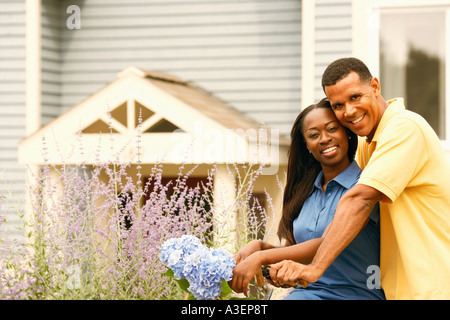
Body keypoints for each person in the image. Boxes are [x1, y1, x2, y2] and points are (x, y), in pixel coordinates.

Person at [270, 57, 450, 300]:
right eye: (338, 105)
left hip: (430, 286)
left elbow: (359, 200)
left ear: (375, 86)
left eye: (355, 97)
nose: (349, 111)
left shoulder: (405, 128)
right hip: (396, 289)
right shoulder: (369, 143)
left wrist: (314, 269)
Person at [229, 98, 385, 300]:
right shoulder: (305, 192)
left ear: (347, 132)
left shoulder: (364, 186)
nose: (324, 138)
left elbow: (327, 241)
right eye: (314, 135)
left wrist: (261, 256)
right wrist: (261, 247)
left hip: (355, 295)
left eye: (332, 129)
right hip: (306, 293)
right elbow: (296, 249)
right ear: (307, 146)